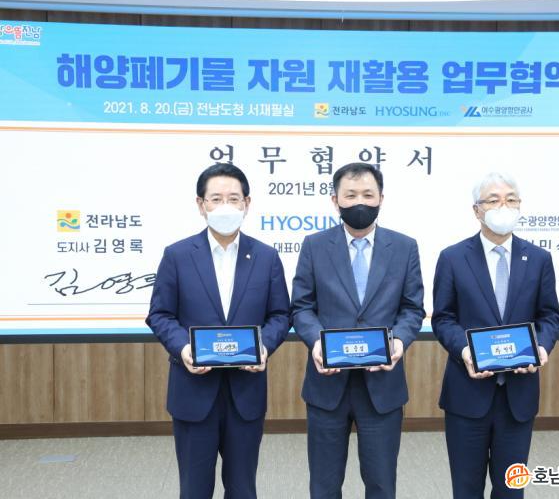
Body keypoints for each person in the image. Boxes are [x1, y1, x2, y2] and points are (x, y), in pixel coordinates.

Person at [146, 163, 290, 499]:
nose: (225, 206)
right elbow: (160, 314)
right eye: (216, 198)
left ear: (246, 203)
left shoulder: (266, 257)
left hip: (246, 392)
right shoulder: (177, 255)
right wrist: (184, 349)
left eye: (233, 198)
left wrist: (264, 346)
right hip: (193, 391)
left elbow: (281, 315)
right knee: (194, 490)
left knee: (243, 488)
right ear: (201, 204)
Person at [291, 162, 425, 499]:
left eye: (368, 194)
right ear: (335, 200)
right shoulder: (314, 245)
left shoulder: (405, 247)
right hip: (327, 385)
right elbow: (302, 307)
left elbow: (412, 308)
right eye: (350, 195)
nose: (360, 202)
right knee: (324, 486)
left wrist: (399, 341)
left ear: (382, 199)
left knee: (381, 484)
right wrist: (316, 342)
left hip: (382, 386)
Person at [432, 172, 559, 499]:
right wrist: (465, 351)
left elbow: (549, 315)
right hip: (467, 395)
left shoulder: (539, 259)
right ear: (477, 210)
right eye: (493, 200)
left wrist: (541, 347)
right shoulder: (453, 258)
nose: (504, 206)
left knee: (511, 490)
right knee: (466, 489)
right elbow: (443, 318)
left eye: (511, 200)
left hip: (518, 397)